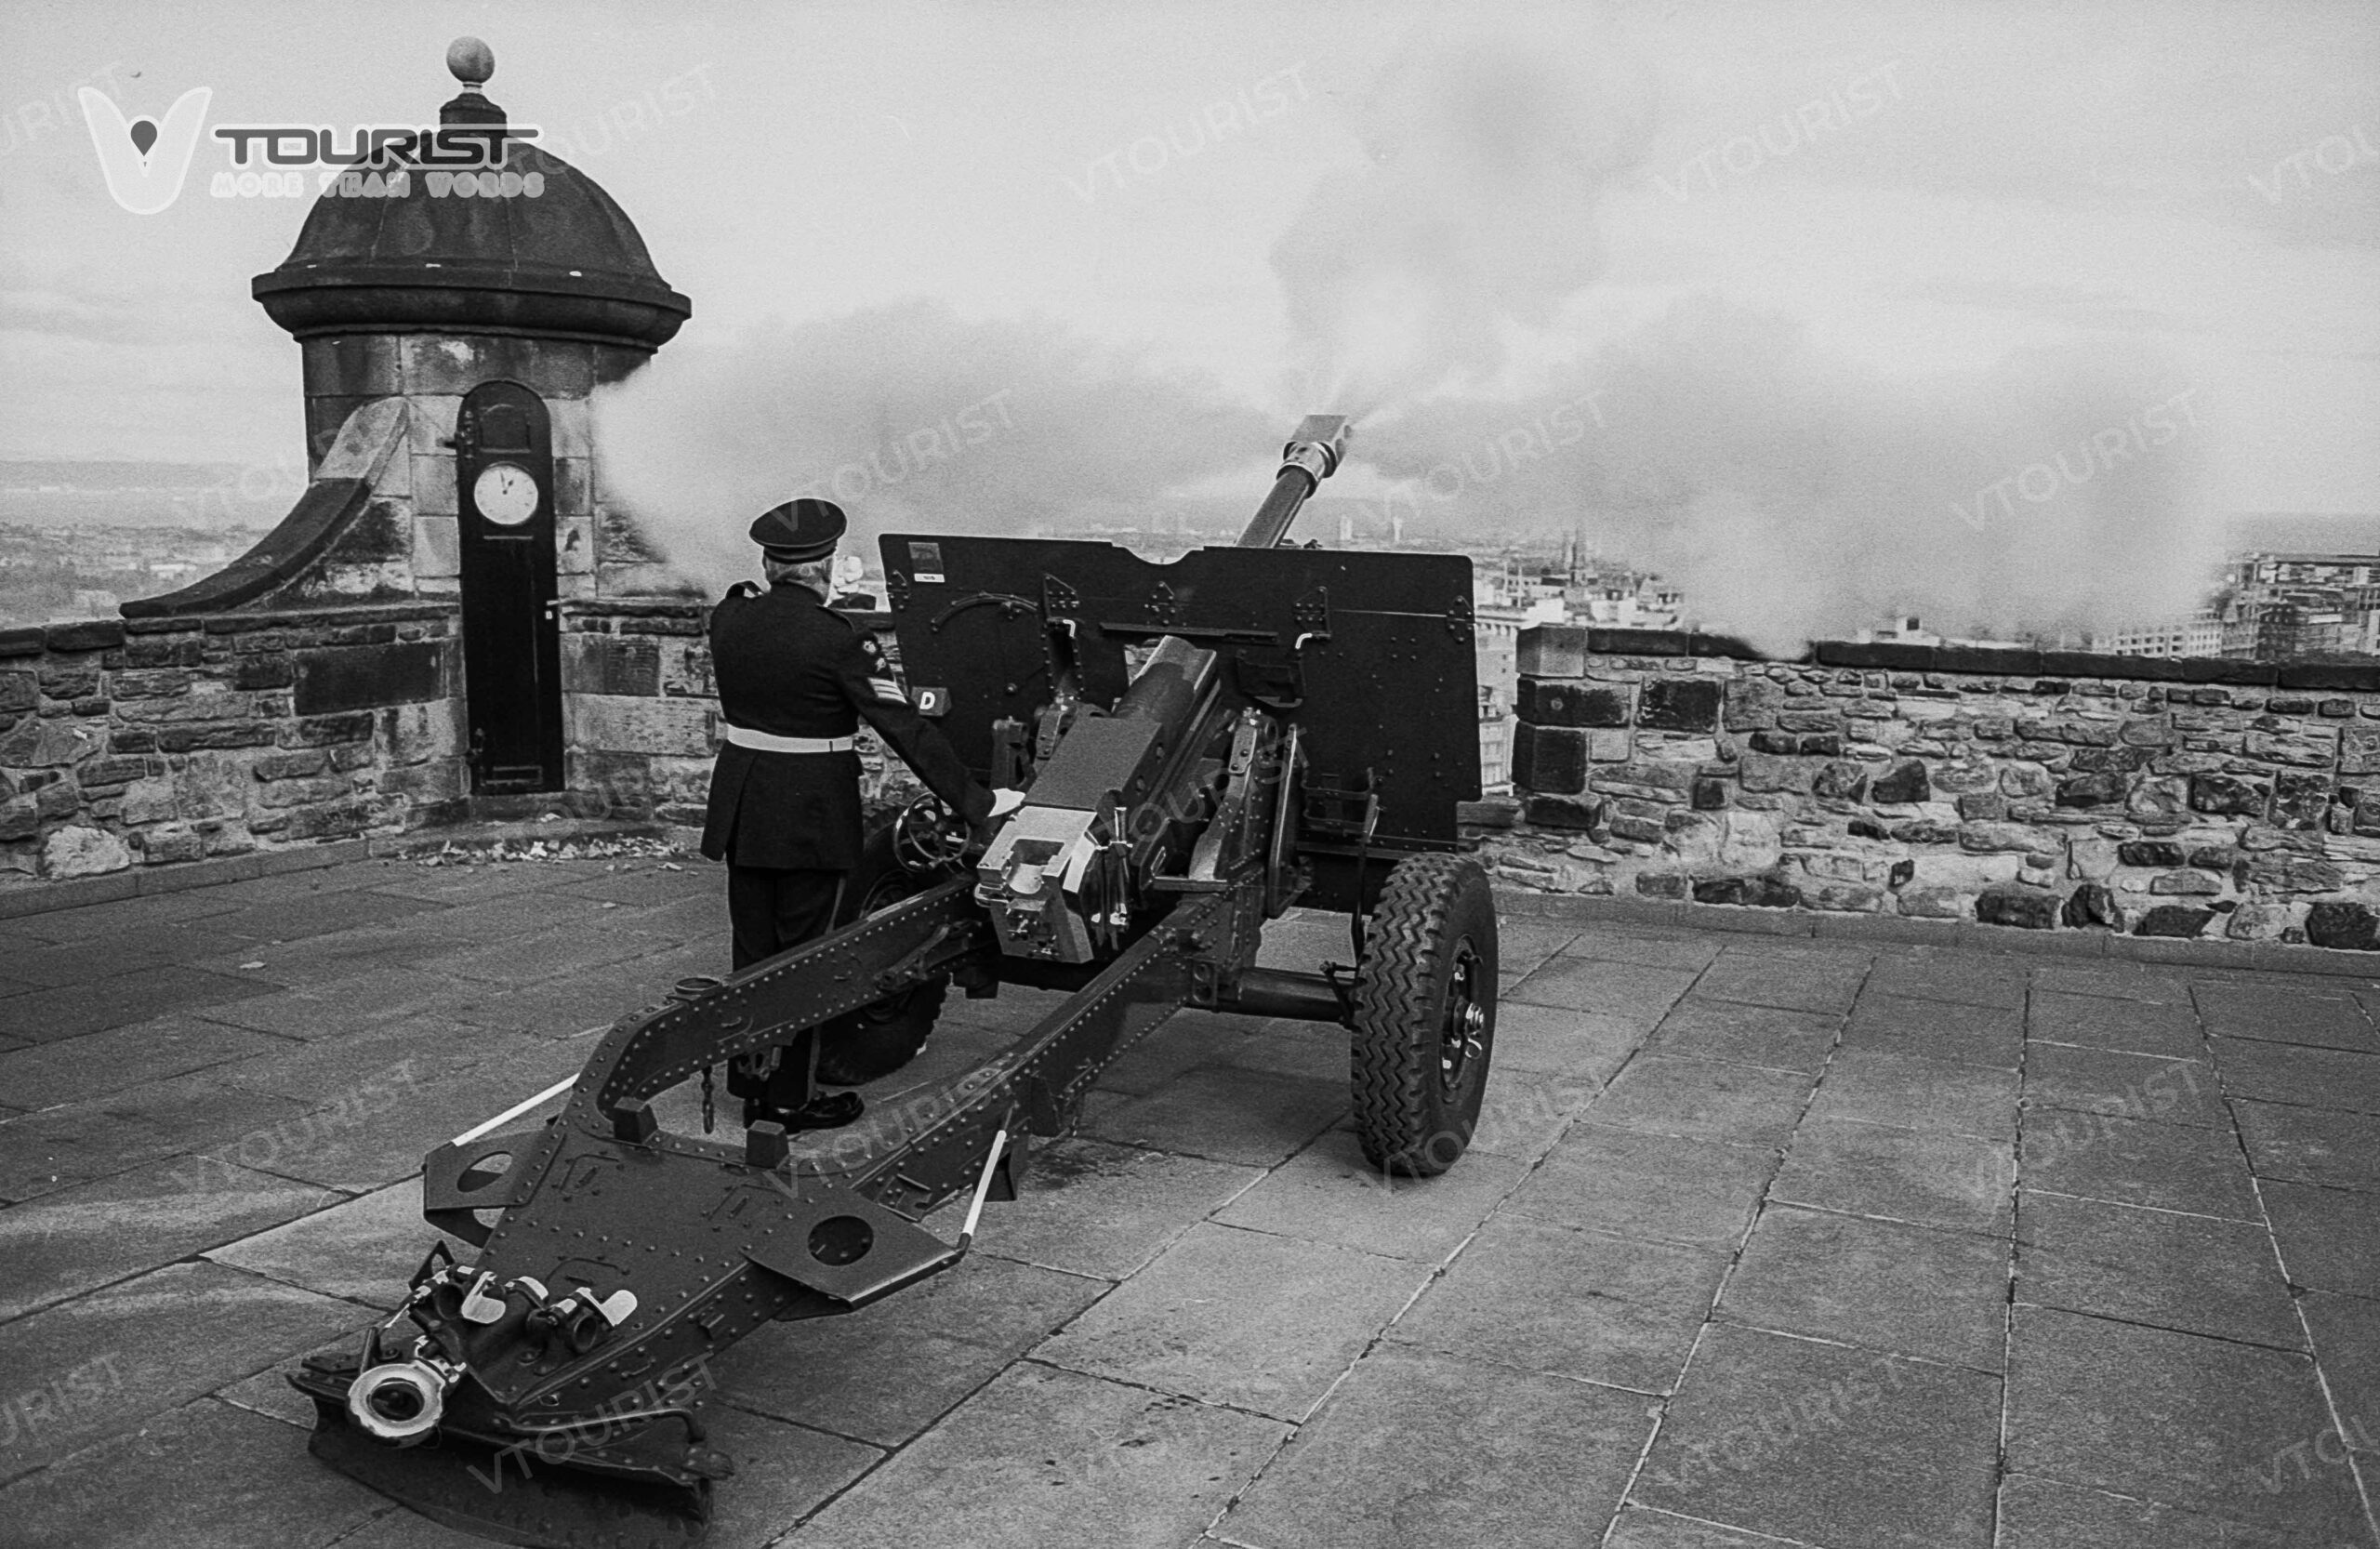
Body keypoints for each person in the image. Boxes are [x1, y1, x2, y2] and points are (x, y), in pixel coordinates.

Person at [700, 496, 1021, 1131]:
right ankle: (789, 1101)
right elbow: (906, 730)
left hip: (744, 803)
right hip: (809, 815)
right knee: (803, 955)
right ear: (827, 567)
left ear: (768, 563)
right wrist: (979, 802)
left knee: (753, 945)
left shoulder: (729, 618)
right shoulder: (840, 639)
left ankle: (751, 1083)